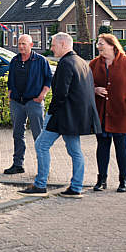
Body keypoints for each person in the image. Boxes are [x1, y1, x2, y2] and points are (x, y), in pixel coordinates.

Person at [20, 33, 102, 198]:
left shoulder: (65, 63)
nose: (51, 49)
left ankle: (40, 185)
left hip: (62, 116)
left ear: (63, 44)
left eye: (53, 45)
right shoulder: (82, 62)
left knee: (41, 145)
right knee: (75, 150)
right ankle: (76, 187)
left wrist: (51, 112)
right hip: (75, 117)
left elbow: (60, 93)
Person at [89, 33, 126, 193]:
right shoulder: (94, 64)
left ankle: (124, 180)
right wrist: (94, 89)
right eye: (98, 44)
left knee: (121, 148)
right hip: (101, 114)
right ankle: (101, 180)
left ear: (112, 45)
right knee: (102, 148)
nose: (98, 47)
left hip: (121, 115)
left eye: (101, 44)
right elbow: (84, 84)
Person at [3, 34, 53, 175]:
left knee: (39, 135)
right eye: (19, 44)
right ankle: (18, 164)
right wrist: (10, 93)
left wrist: (42, 95)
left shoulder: (41, 60)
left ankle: (43, 169)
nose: (21, 46)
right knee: (17, 134)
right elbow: (10, 79)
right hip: (17, 102)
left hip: (34, 102)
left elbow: (49, 79)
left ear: (31, 45)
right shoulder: (14, 60)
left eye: (24, 44)